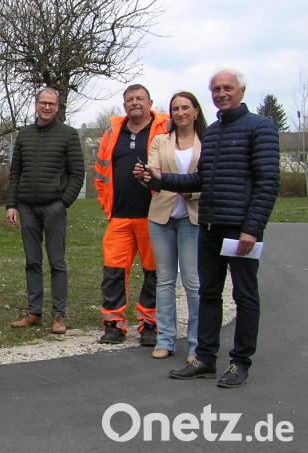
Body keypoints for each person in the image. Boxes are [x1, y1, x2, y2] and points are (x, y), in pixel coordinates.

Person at [136, 69, 280, 388]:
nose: (221, 93)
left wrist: (251, 229)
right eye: (215, 88)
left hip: (241, 229)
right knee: (208, 293)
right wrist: (159, 180)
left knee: (245, 295)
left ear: (241, 90)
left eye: (227, 87)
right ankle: (205, 359)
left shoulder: (261, 127)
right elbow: (200, 181)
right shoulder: (212, 133)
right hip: (209, 226)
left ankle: (240, 362)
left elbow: (268, 182)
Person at [94, 84, 169, 346]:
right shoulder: (113, 133)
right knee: (113, 271)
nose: (135, 102)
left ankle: (149, 324)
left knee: (154, 272)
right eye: (129, 99)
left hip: (154, 216)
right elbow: (101, 171)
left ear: (150, 102)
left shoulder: (164, 128)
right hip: (119, 217)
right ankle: (114, 324)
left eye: (140, 98)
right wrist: (107, 205)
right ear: (123, 104)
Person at [6, 87, 85, 334]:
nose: (47, 107)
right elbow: (15, 172)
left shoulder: (68, 135)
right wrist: (11, 203)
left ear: (57, 107)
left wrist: (64, 202)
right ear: (36, 104)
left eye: (52, 103)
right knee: (32, 262)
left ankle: (58, 315)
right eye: (43, 103)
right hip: (26, 206)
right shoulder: (25, 134)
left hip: (54, 207)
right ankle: (34, 312)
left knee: (57, 262)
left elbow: (77, 172)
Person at [145, 92, 207, 360]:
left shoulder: (207, 141)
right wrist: (155, 178)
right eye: (175, 109)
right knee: (165, 281)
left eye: (185, 108)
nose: (180, 113)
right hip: (162, 218)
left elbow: (210, 180)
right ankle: (166, 339)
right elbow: (153, 174)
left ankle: (196, 344)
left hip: (193, 218)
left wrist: (190, 191)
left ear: (195, 111)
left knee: (193, 283)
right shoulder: (160, 140)